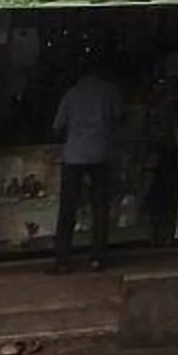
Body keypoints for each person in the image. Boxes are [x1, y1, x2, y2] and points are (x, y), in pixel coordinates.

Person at [51, 62, 124, 273]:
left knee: (68, 208)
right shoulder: (109, 91)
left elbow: (57, 126)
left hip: (73, 155)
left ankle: (62, 260)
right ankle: (98, 257)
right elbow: (120, 118)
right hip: (101, 153)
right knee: (100, 207)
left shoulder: (71, 94)